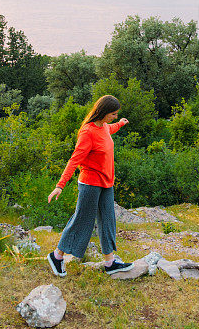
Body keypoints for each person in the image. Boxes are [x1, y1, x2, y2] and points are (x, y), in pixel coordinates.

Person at [46, 94, 134, 277]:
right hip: (90, 184)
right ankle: (57, 256)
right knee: (82, 220)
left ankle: (110, 262)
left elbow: (110, 129)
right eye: (113, 114)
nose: (115, 116)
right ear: (103, 112)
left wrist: (121, 124)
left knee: (108, 220)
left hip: (106, 183)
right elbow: (74, 160)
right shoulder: (87, 132)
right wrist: (60, 185)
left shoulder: (103, 127)